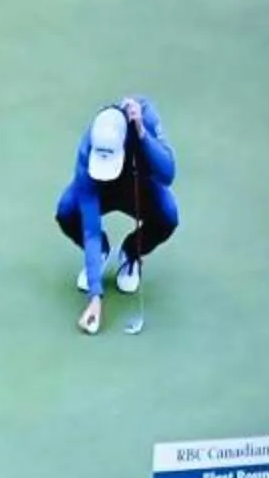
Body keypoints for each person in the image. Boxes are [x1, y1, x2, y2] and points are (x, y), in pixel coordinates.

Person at [55, 96, 177, 334]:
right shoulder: (87, 149)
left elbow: (168, 174)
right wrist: (95, 297)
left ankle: (131, 253)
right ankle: (101, 252)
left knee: (168, 215)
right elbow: (89, 228)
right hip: (100, 189)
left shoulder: (145, 117)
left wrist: (143, 135)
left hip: (139, 188)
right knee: (66, 211)